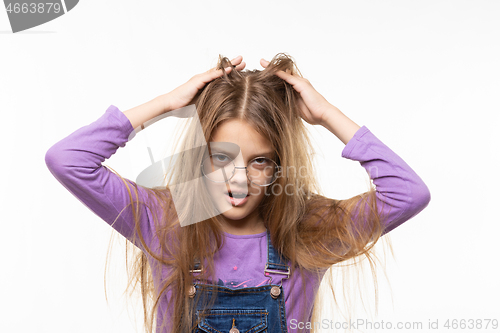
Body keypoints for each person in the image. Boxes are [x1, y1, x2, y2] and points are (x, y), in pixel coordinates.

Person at [45, 53, 431, 333]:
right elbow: (68, 160)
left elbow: (407, 193)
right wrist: (167, 104)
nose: (239, 181)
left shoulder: (308, 229)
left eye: (260, 161)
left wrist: (327, 114)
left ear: (280, 163)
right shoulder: (165, 219)